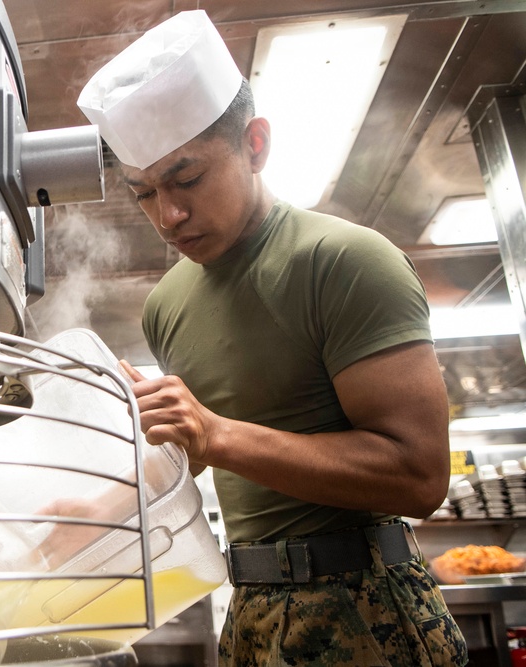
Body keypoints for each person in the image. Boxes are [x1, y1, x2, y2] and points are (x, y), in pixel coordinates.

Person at [75, 10, 468, 666]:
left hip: (369, 606)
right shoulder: (168, 304)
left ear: (255, 144)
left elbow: (420, 474)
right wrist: (88, 512)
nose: (168, 214)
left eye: (187, 178)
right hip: (251, 610)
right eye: (144, 192)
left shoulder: (344, 260)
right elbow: (190, 450)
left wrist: (216, 433)